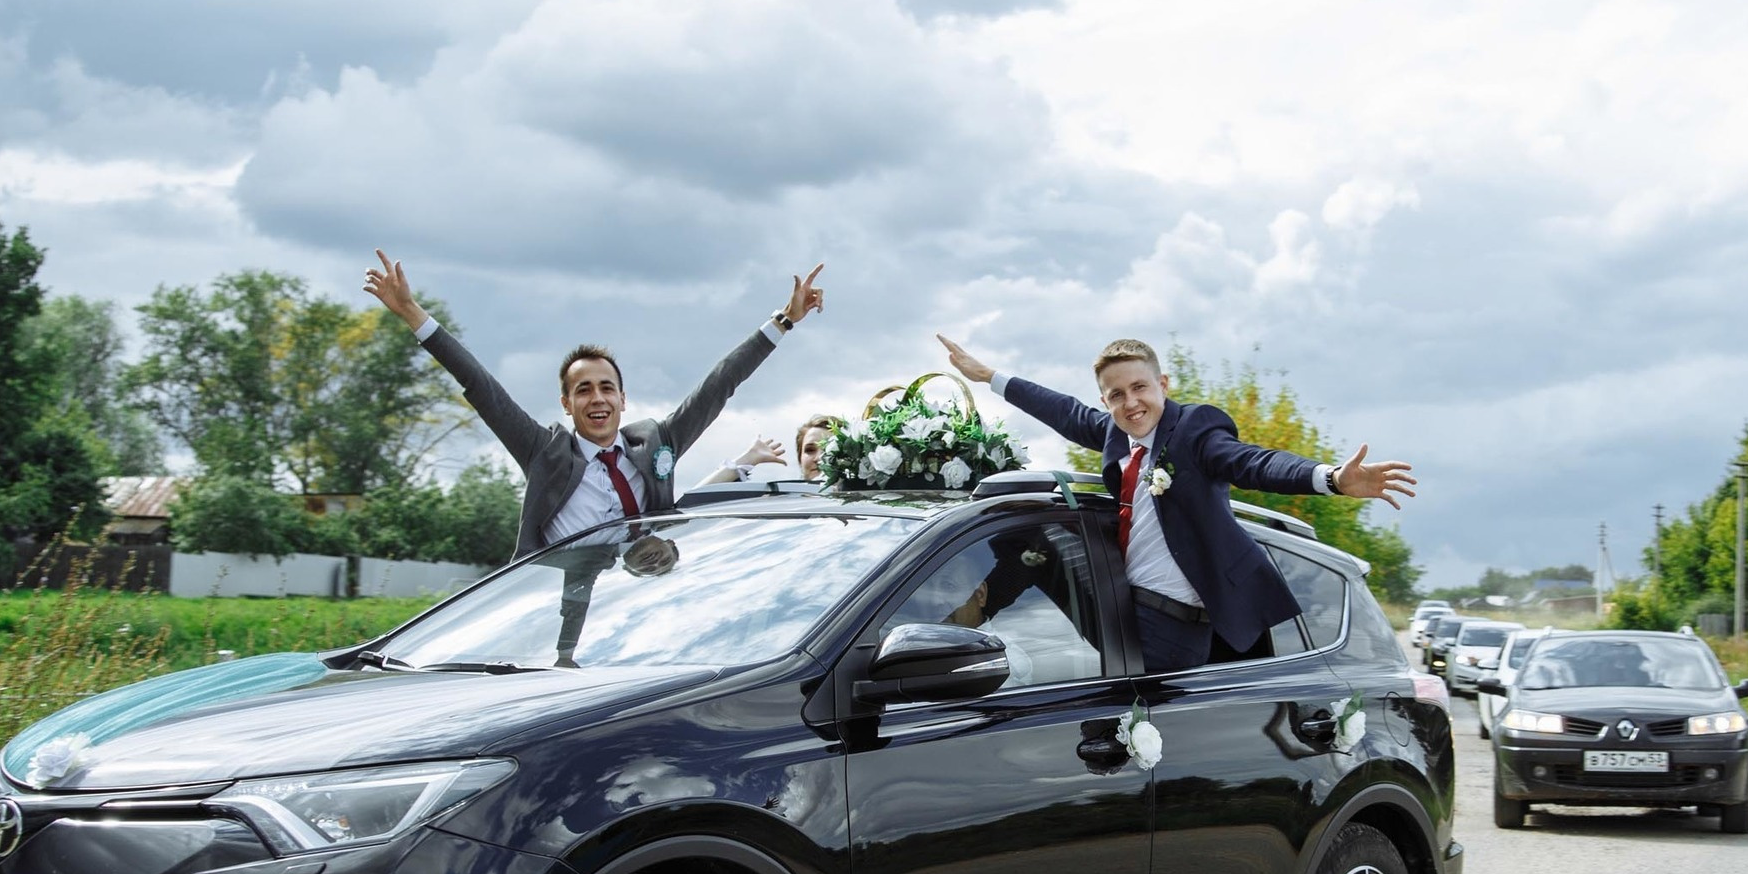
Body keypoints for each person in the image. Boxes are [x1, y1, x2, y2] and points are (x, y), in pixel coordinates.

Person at [937, 333, 1416, 672]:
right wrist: (988, 376)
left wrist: (1329, 478)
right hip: (1121, 607)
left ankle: (966, 620)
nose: (1130, 403)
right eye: (1116, 395)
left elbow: (1253, 462)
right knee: (1034, 538)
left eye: (1139, 388)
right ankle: (961, 623)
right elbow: (1063, 410)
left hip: (1172, 627)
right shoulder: (1116, 432)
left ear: (1163, 384)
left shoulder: (1195, 434)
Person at [362, 250, 825, 559]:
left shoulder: (654, 443)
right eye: (583, 390)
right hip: (564, 601)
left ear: (623, 399)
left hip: (645, 599)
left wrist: (784, 320)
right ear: (566, 403)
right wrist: (412, 314)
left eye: (607, 387)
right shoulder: (544, 453)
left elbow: (720, 384)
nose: (597, 398)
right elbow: (481, 385)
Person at [698, 415, 843, 486]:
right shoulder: (780, 505)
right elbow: (695, 502)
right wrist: (748, 458)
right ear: (799, 459)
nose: (818, 458)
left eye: (829, 449)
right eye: (810, 450)